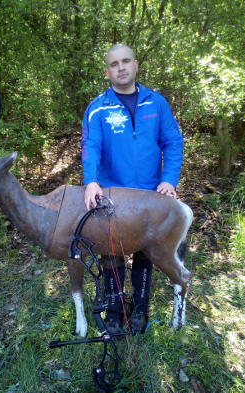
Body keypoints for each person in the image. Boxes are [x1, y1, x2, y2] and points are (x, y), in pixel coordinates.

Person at [81, 44, 184, 333]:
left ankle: (139, 309)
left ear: (136, 65)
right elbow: (91, 146)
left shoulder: (157, 103)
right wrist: (91, 180)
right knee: (112, 251)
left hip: (150, 194)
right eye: (114, 64)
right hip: (113, 197)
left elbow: (173, 143)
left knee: (145, 252)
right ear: (107, 71)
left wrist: (169, 180)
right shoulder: (98, 107)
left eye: (126, 61)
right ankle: (114, 310)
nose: (121, 67)